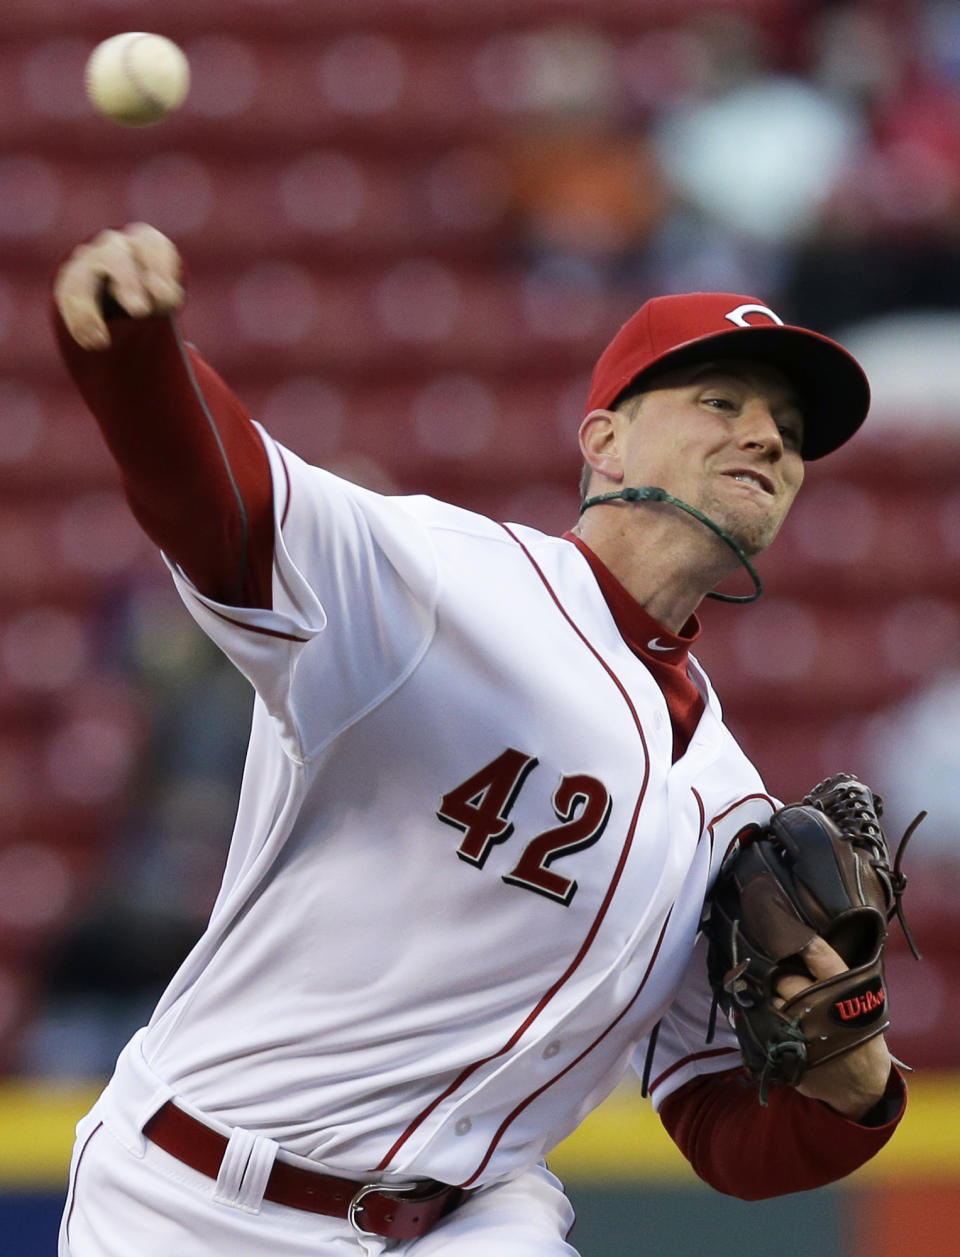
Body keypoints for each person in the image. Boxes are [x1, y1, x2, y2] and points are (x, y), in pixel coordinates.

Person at [52, 223, 904, 1257]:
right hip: (195, 1199)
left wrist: (856, 1089)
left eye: (789, 427)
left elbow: (725, 1138)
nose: (768, 437)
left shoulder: (730, 803)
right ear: (605, 443)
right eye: (721, 402)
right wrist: (133, 356)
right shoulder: (451, 581)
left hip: (474, 1221)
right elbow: (228, 510)